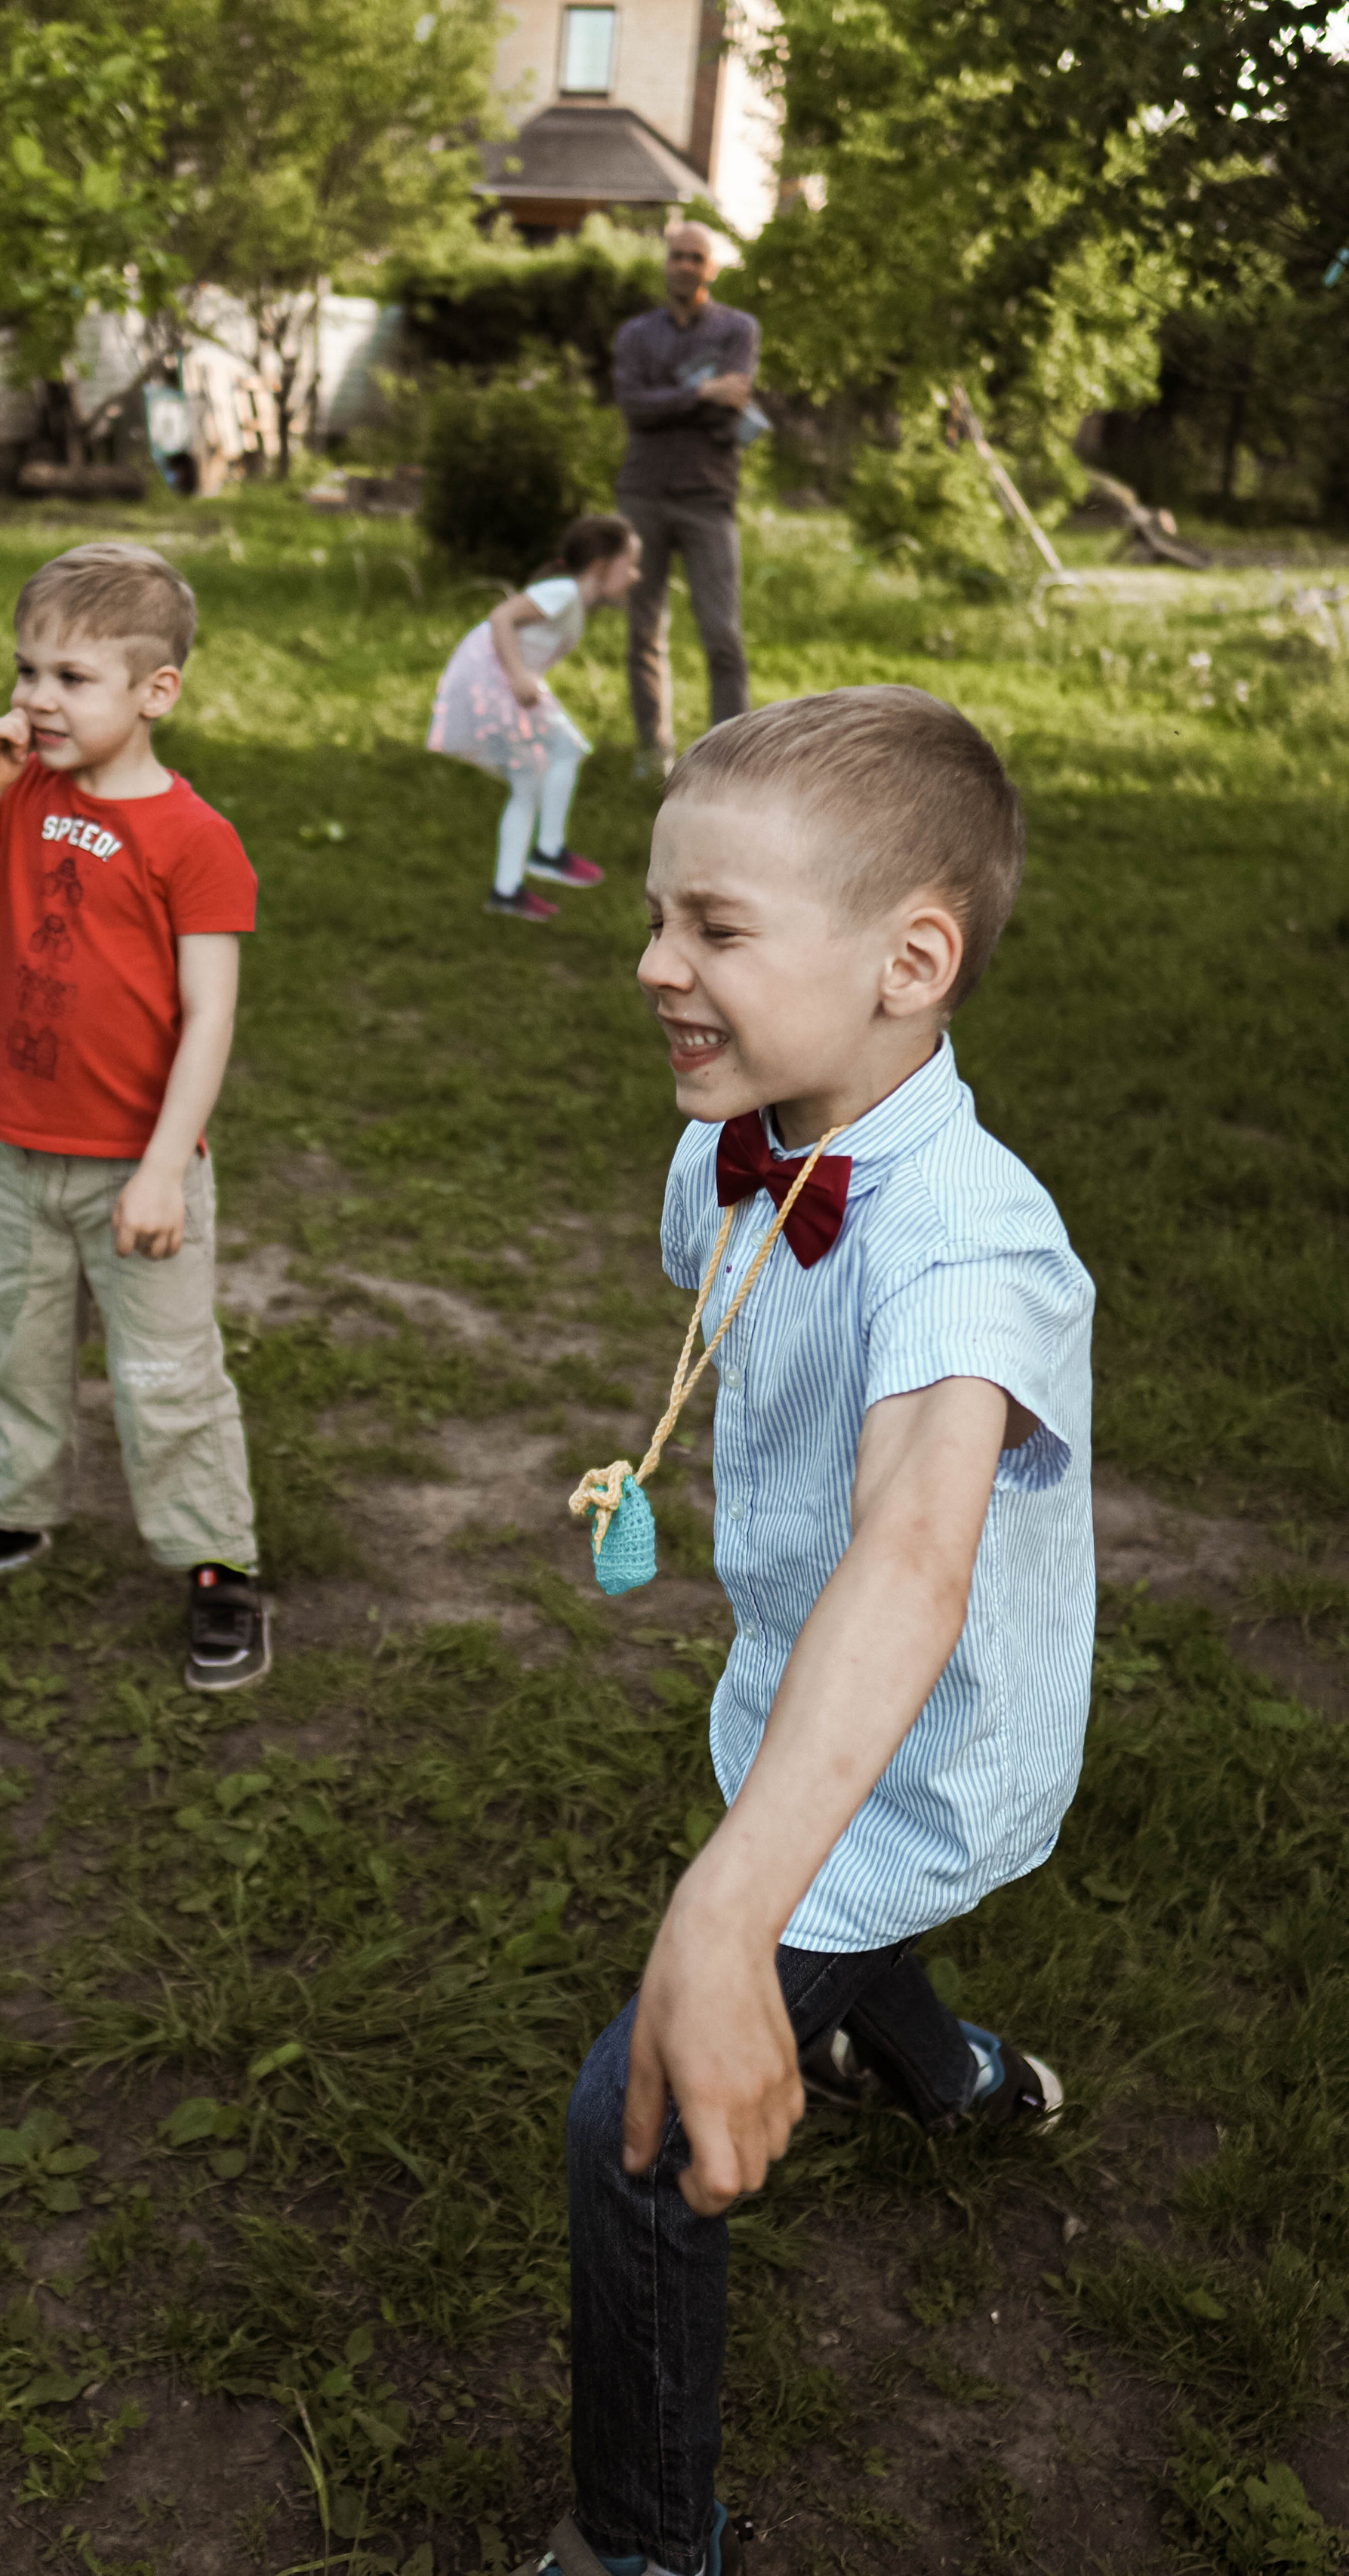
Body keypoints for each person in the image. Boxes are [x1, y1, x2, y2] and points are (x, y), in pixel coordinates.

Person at [510, 687, 1095, 2576]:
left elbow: (914, 1563)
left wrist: (719, 1905)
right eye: (658, 915)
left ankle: (643, 2542)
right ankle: (950, 2070)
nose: (648, 963)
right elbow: (725, 1302)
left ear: (906, 961)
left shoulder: (970, 1248)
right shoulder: (734, 1142)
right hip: (795, 1686)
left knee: (641, 2118)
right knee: (850, 1956)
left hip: (903, 1746)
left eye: (713, 930)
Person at [0, 543, 271, 1695]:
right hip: (24, 1155)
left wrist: (160, 1169)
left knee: (168, 1376)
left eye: (71, 678)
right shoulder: (26, 793)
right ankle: (9, 1513)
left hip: (136, 1171)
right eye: (25, 670)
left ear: (156, 692)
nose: (37, 699)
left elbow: (208, 1019)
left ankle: (216, 1563)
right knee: (26, 1353)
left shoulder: (195, 840)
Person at [427, 512, 642, 924]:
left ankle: (512, 885)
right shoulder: (563, 591)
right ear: (600, 566)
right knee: (556, 757)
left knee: (546, 766)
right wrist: (520, 675)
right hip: (494, 681)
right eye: (629, 564)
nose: (636, 575)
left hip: (502, 681)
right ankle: (543, 856)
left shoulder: (572, 599)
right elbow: (501, 618)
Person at [613, 222, 760, 773]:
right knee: (642, 631)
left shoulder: (738, 330)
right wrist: (700, 392)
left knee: (722, 633)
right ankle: (654, 751)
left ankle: (730, 758)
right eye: (676, 256)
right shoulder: (634, 335)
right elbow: (634, 407)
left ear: (712, 267)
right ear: (665, 263)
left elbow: (735, 401)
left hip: (708, 496)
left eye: (695, 257)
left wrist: (672, 401)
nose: (684, 265)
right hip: (643, 493)